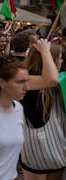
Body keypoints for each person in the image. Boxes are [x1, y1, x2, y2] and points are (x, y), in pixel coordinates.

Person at [20, 41, 65, 179]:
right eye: (59, 58)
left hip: (51, 149)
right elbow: (51, 79)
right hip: (44, 150)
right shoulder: (26, 81)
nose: (61, 61)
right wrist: (45, 51)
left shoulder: (61, 79)